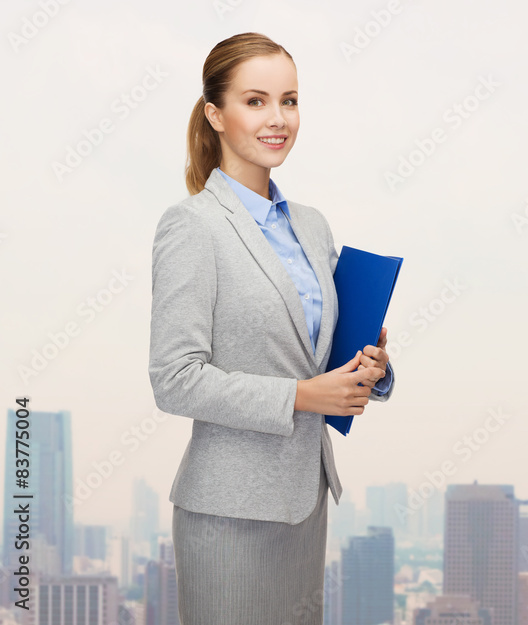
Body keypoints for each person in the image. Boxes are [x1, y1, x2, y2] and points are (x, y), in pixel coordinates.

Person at [148, 32, 395, 624]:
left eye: (289, 100)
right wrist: (301, 397)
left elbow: (318, 355)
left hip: (304, 504)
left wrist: (373, 371)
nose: (277, 118)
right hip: (229, 513)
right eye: (255, 101)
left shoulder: (311, 227)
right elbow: (174, 379)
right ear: (215, 114)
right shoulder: (192, 227)